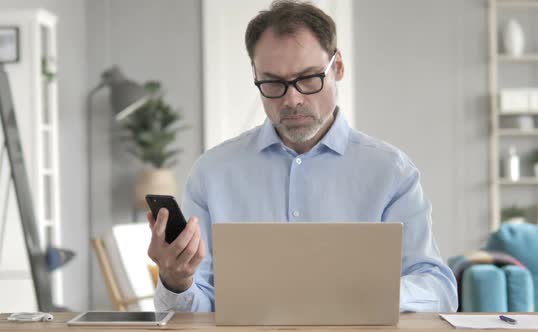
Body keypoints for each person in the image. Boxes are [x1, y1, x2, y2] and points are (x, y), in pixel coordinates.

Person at [148, 0, 458, 313]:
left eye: (308, 78)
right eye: (273, 83)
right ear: (255, 76)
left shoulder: (392, 172)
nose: (292, 99)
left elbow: (439, 290)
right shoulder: (211, 173)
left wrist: (371, 292)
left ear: (337, 67)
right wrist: (177, 282)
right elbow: (196, 310)